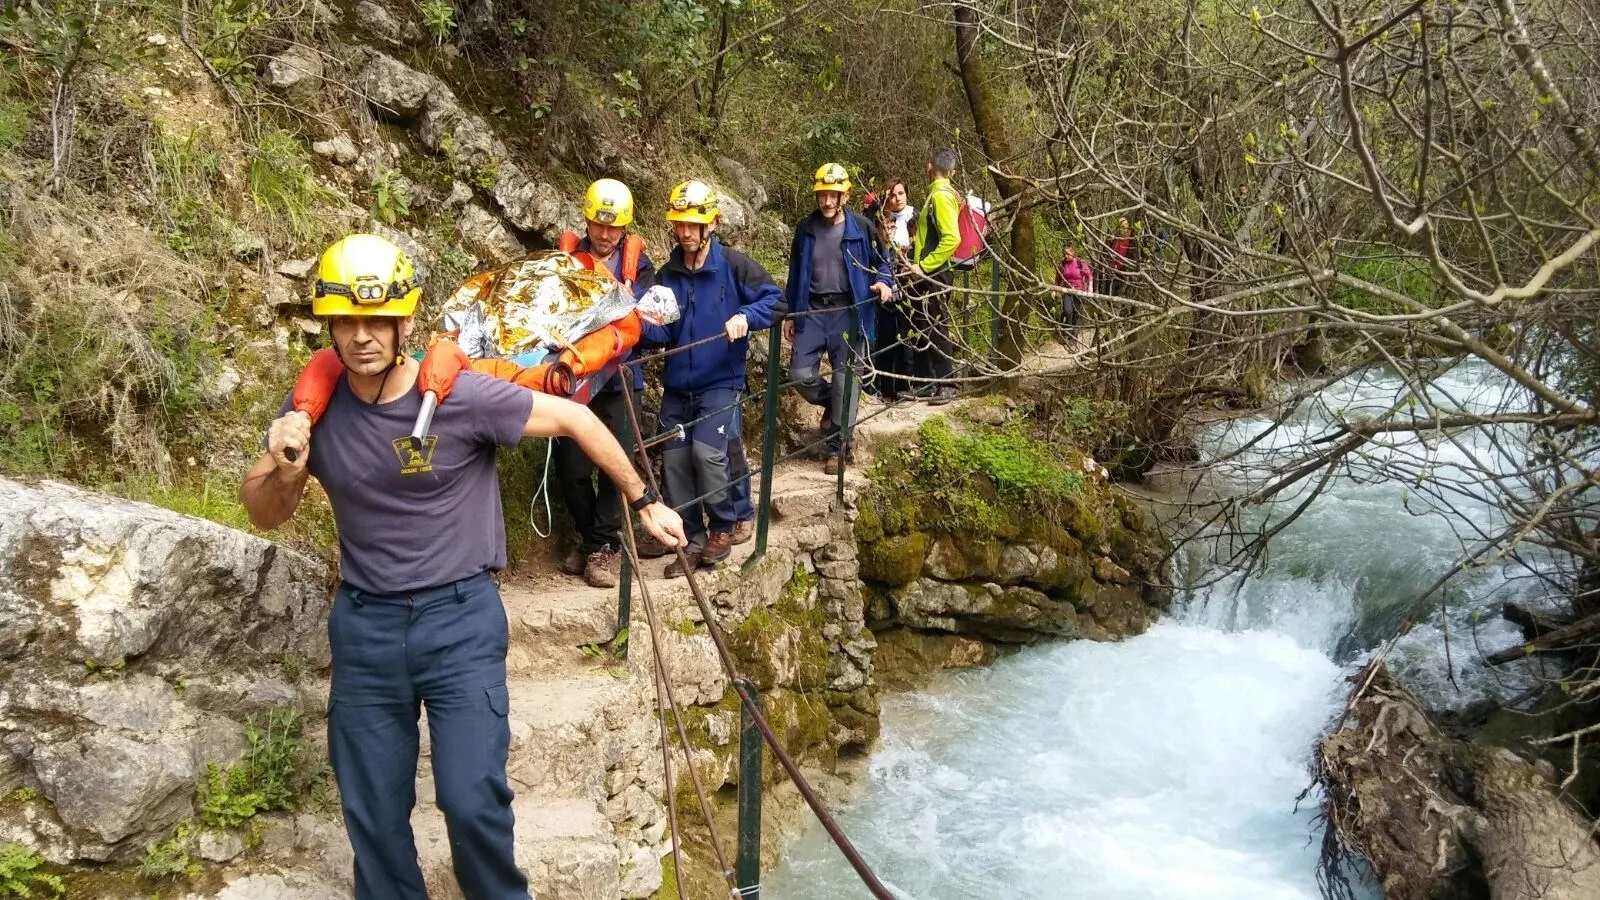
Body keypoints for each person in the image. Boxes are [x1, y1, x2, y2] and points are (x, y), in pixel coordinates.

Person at [240, 234, 684, 900]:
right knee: (374, 815)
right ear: (328, 325)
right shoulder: (311, 410)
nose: (360, 337)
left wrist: (643, 499)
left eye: (376, 321)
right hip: (366, 629)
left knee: (471, 799)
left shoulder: (458, 396)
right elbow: (263, 511)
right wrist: (284, 462)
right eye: (346, 322)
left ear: (404, 323)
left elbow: (574, 419)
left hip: (460, 623)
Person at [640, 181, 781, 576]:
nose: (684, 231)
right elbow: (663, 332)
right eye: (679, 224)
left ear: (711, 224)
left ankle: (722, 526)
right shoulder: (668, 275)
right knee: (674, 462)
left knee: (708, 453)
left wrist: (746, 317)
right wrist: (636, 324)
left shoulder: (734, 266)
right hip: (677, 384)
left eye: (692, 224)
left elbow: (776, 299)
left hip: (721, 380)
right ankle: (689, 540)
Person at [552, 178, 659, 588]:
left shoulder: (640, 270)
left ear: (625, 229)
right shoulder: (566, 260)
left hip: (619, 380)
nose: (605, 233)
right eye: (598, 224)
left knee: (615, 467)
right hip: (576, 380)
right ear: (588, 221)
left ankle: (604, 547)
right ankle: (589, 535)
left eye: (614, 228)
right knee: (572, 468)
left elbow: (651, 324)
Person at [784, 163, 893, 474]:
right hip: (813, 311)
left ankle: (837, 448)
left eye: (834, 195)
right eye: (823, 195)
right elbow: (796, 273)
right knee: (800, 374)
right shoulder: (805, 229)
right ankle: (833, 403)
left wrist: (884, 282)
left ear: (846, 195)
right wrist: (792, 312)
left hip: (850, 310)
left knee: (846, 381)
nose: (827, 202)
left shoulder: (862, 228)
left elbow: (886, 260)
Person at [903, 149, 962, 405]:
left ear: (929, 167)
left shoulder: (941, 197)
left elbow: (953, 238)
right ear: (953, 172)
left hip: (935, 273)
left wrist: (923, 266)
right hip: (926, 274)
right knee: (922, 326)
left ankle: (947, 384)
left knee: (936, 326)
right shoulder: (937, 195)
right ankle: (927, 383)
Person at [1054, 240, 1093, 339]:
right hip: (1067, 291)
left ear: (1073, 252)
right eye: (1064, 254)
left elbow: (1089, 275)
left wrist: (1090, 288)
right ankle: (1067, 331)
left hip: (1079, 291)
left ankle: (1073, 336)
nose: (1066, 256)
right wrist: (1054, 290)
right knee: (1067, 311)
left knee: (1077, 313)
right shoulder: (1062, 264)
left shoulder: (1080, 263)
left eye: (1068, 253)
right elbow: (1058, 278)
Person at [1106, 217, 1136, 297]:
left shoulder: (1132, 238)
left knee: (1124, 287)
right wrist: (1113, 263)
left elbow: (1132, 253)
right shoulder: (1116, 238)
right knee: (1113, 285)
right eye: (1121, 227)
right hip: (1116, 265)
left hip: (1127, 265)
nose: (1123, 229)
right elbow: (1114, 250)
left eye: (1125, 226)